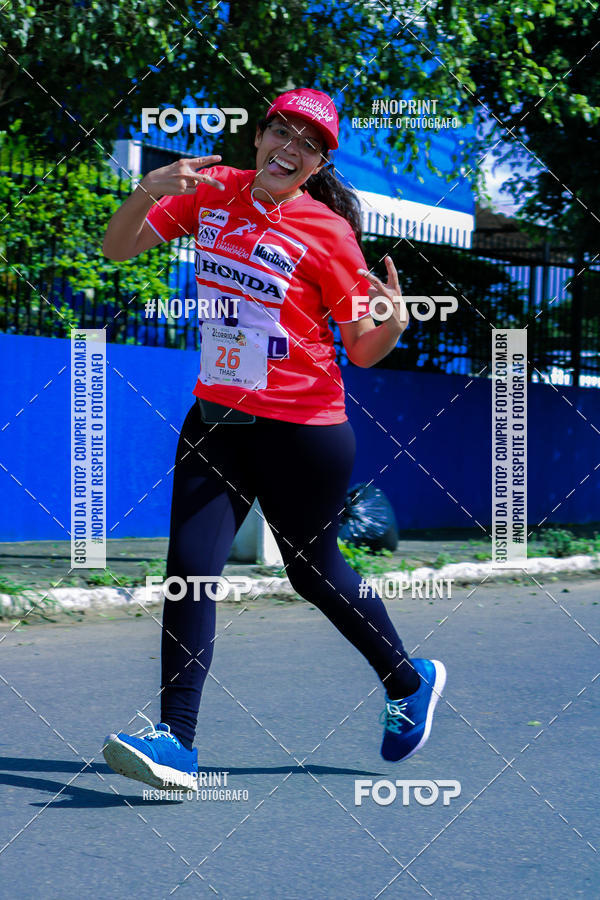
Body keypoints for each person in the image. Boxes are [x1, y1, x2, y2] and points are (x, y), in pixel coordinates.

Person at [101, 88, 446, 790]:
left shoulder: (328, 233)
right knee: (189, 570)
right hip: (219, 419)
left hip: (304, 429)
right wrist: (147, 189)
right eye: (282, 132)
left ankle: (408, 681)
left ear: (318, 165)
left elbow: (362, 348)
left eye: (309, 145)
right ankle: (176, 743)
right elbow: (116, 248)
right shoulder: (211, 193)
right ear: (259, 135)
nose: (291, 150)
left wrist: (395, 323)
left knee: (312, 573)